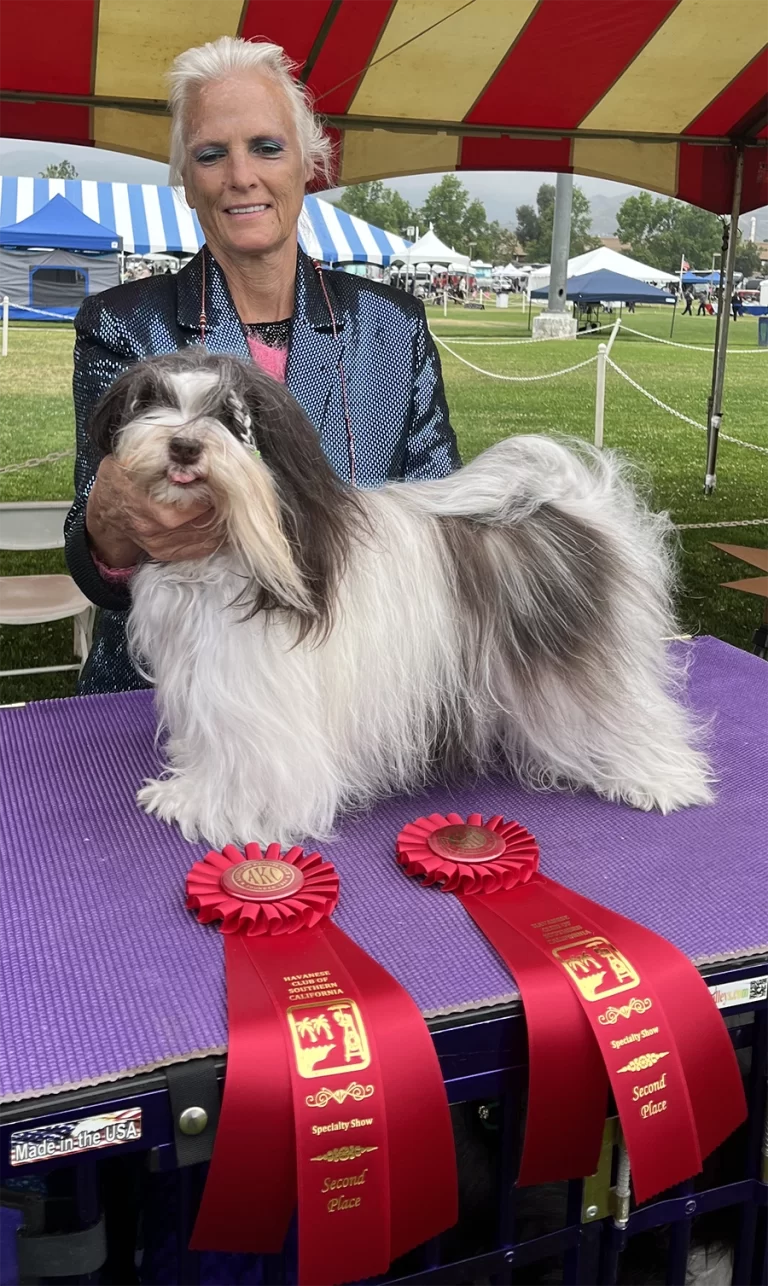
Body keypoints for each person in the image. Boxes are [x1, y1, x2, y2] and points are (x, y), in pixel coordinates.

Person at [65, 36, 460, 696]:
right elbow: (95, 569)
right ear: (187, 184)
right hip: (166, 698)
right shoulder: (121, 324)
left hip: (357, 693)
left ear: (310, 164)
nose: (240, 175)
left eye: (267, 147)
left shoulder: (394, 326)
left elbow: (441, 521)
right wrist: (109, 523)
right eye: (210, 155)